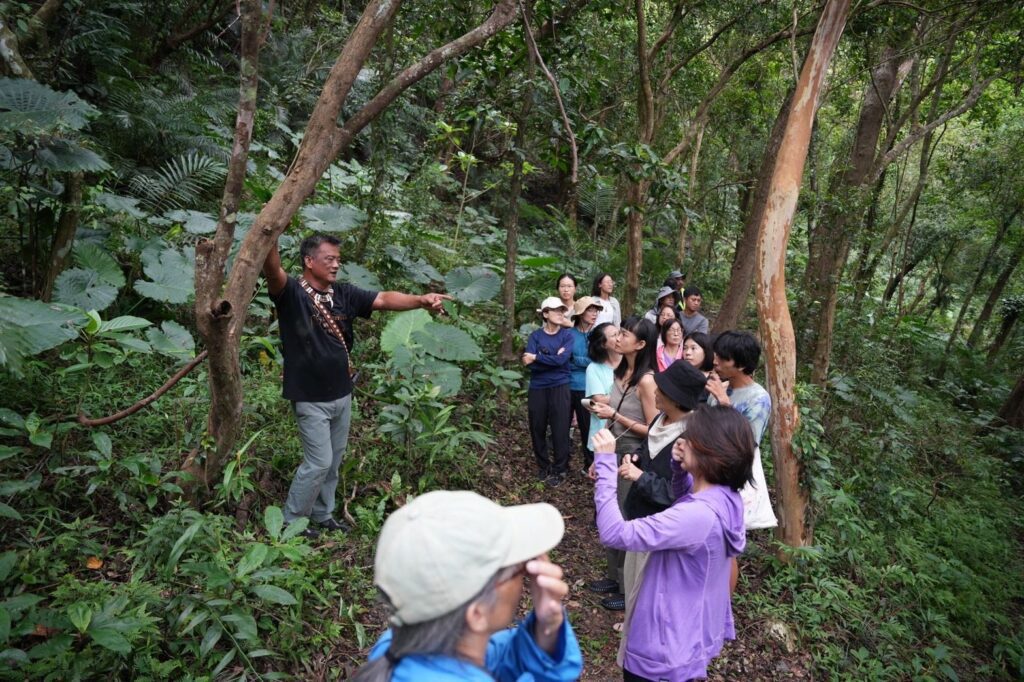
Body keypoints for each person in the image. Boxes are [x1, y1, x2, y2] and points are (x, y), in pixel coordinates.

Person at [262, 233, 451, 538]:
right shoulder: (291, 292)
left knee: (334, 461)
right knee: (318, 462)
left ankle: (323, 514)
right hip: (310, 397)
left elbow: (383, 299)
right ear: (309, 261)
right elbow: (272, 270)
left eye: (338, 259)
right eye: (329, 259)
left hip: (342, 393)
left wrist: (421, 300)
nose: (336, 265)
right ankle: (291, 521)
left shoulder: (343, 294)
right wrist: (269, 231)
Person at [592, 405, 754, 682]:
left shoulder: (697, 516)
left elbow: (614, 533)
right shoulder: (727, 497)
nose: (682, 441)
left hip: (660, 651)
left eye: (691, 436)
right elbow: (686, 503)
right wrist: (680, 473)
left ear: (709, 453)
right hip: (686, 635)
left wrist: (605, 463)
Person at [353, 490, 583, 681]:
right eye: (519, 569)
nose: (527, 573)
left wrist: (547, 629)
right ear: (477, 613)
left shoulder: (392, 650)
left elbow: (492, 659)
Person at [612, 361, 707, 661]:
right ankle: (631, 639)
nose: (654, 391)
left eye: (661, 389)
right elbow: (647, 451)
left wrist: (641, 478)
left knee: (649, 597)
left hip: (662, 535)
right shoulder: (660, 420)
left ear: (676, 397)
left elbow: (682, 495)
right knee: (633, 587)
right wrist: (635, 458)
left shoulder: (693, 439)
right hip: (640, 521)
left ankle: (644, 658)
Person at [586, 316, 659, 611]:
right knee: (608, 511)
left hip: (632, 455)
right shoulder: (619, 372)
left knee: (625, 518)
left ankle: (627, 586)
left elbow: (654, 428)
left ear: (640, 344)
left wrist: (615, 416)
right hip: (612, 448)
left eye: (626, 334)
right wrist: (599, 457)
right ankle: (613, 578)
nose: (619, 337)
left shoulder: (646, 380)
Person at [705, 330, 777, 530]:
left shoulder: (758, 398)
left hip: (732, 477)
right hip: (707, 471)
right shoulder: (721, 389)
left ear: (742, 365)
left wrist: (724, 402)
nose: (715, 361)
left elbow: (748, 442)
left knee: (729, 540)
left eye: (723, 358)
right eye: (716, 355)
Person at [523, 297, 575, 487]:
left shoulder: (567, 336)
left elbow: (562, 362)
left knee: (560, 427)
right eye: (556, 310)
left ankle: (560, 468)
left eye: (562, 310)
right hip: (538, 387)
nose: (561, 313)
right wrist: (552, 358)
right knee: (537, 427)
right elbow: (530, 366)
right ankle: (543, 465)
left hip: (560, 386)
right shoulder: (535, 336)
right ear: (545, 314)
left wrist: (538, 356)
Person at [569, 296, 602, 474]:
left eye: (596, 310)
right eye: (590, 310)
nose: (594, 313)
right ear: (581, 314)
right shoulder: (569, 334)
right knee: (562, 425)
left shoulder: (597, 334)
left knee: (588, 427)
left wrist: (577, 360)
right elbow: (565, 360)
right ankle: (563, 463)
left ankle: (589, 463)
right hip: (568, 385)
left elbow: (597, 358)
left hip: (590, 387)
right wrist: (582, 361)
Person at [584, 322, 621, 474]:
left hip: (627, 428)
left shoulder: (630, 363)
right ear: (603, 344)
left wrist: (609, 397)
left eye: (620, 333)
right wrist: (629, 395)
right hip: (603, 430)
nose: (619, 338)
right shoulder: (594, 368)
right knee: (605, 478)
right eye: (614, 335)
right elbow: (598, 400)